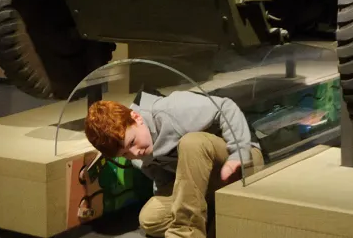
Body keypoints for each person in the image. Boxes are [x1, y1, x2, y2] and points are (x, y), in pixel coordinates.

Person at [84, 90, 263, 238]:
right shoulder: (139, 157)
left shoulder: (172, 109)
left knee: (192, 143)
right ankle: (211, 224)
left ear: (136, 117)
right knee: (150, 218)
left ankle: (184, 233)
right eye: (125, 154)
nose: (134, 153)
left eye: (132, 142)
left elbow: (226, 106)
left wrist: (237, 154)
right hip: (202, 184)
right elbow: (166, 183)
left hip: (240, 162)